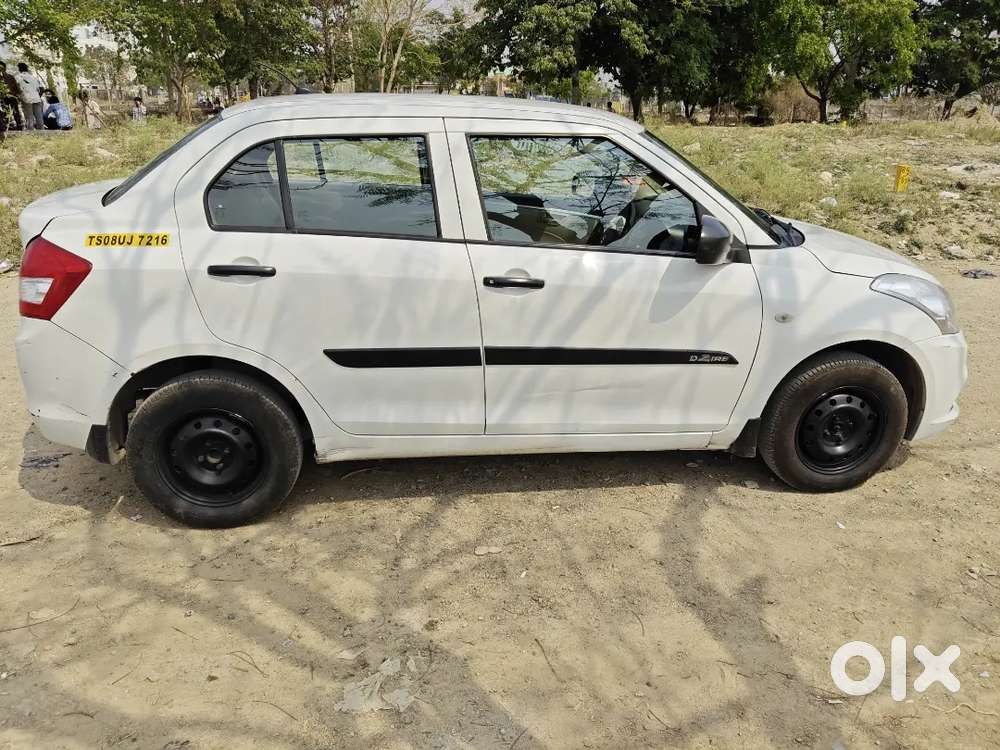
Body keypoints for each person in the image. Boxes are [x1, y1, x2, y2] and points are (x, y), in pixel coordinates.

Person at [14, 62, 44, 130]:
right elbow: (41, 88)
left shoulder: (17, 77)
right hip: (37, 98)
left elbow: (17, 88)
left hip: (27, 99)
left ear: (19, 69)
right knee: (39, 117)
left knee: (29, 118)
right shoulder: (33, 77)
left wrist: (20, 96)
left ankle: (31, 133)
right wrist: (38, 96)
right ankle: (42, 132)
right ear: (27, 68)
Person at [0, 61, 24, 131]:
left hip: (8, 97)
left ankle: (16, 126)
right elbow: (18, 89)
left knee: (11, 112)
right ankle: (14, 126)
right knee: (10, 112)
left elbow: (17, 89)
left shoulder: (10, 77)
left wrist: (14, 95)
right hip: (7, 97)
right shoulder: (10, 76)